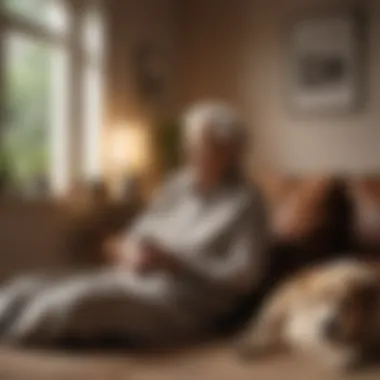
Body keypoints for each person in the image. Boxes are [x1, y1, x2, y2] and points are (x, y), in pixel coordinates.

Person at [0, 102, 269, 347]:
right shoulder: (178, 185)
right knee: (26, 287)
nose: (188, 152)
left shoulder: (246, 202)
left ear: (229, 153)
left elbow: (244, 277)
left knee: (72, 303)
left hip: (182, 303)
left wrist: (177, 263)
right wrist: (129, 251)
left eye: (200, 146)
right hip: (129, 279)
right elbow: (135, 233)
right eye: (188, 144)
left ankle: (13, 341)